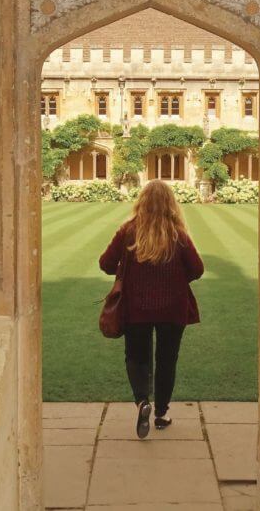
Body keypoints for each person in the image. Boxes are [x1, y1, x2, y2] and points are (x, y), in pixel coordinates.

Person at [99, 179, 204, 439]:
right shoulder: (178, 234)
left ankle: (142, 401)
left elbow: (105, 263)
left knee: (137, 357)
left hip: (136, 307)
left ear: (142, 201)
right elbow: (197, 269)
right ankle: (161, 414)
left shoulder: (128, 231)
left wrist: (127, 269)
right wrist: (175, 280)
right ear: (171, 203)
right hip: (173, 309)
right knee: (167, 361)